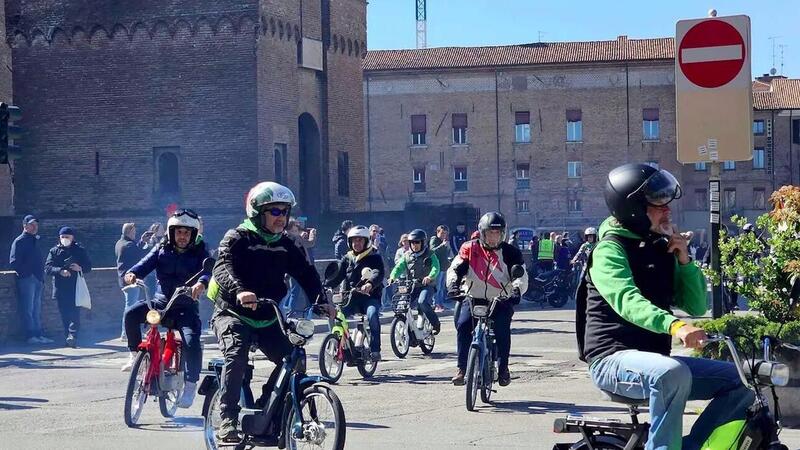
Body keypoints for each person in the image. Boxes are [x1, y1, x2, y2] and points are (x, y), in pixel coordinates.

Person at [576, 163, 754, 450]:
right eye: (658, 204)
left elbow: (695, 304)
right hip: (612, 360)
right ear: (633, 208)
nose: (668, 210)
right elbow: (627, 300)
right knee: (671, 373)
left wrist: (684, 260)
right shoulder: (609, 250)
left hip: (657, 361)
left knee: (743, 381)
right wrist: (676, 326)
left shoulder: (660, 245)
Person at [209, 181, 333, 442]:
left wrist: (322, 301)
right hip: (233, 312)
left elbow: (307, 274)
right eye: (274, 211)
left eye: (285, 211)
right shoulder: (237, 237)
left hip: (268, 315)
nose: (281, 217)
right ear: (257, 212)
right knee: (237, 353)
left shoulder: (287, 244)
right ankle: (228, 419)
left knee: (294, 359)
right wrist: (240, 291)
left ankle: (267, 410)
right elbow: (222, 268)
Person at [121, 209, 210, 409]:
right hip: (161, 303)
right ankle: (135, 357)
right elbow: (144, 264)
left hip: (185, 306)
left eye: (187, 233)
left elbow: (207, 271)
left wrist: (201, 284)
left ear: (193, 235)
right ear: (172, 232)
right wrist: (132, 274)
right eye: (179, 232)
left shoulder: (201, 250)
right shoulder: (162, 248)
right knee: (131, 315)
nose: (182, 236)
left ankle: (190, 384)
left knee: (192, 340)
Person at [447, 212, 528, 386]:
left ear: (503, 234)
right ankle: (462, 369)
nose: (494, 237)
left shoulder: (510, 252)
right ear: (483, 233)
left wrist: (516, 290)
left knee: (502, 330)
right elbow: (455, 269)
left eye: (497, 233)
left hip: (500, 300)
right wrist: (453, 286)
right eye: (490, 233)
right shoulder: (469, 248)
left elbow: (521, 276)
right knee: (462, 326)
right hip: (473, 298)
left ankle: (504, 368)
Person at [326, 225, 385, 360]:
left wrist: (370, 283)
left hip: (369, 297)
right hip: (350, 298)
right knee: (335, 314)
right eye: (354, 240)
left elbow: (378, 272)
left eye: (359, 240)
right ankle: (338, 341)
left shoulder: (374, 256)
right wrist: (326, 286)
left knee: (372, 315)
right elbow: (338, 275)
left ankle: (375, 349)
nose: (356, 243)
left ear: (366, 241)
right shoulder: (347, 258)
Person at [44, 227, 92, 348]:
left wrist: (79, 268)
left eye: (67, 237)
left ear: (72, 238)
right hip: (60, 287)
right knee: (64, 314)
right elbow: (48, 268)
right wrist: (60, 270)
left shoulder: (79, 250)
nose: (65, 239)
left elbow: (88, 266)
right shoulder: (54, 251)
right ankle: (68, 337)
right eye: (63, 237)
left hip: (75, 287)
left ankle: (73, 335)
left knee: (75, 313)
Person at [389, 228, 441, 335]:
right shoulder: (406, 255)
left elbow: (436, 267)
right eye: (412, 242)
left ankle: (436, 324)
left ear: (423, 242)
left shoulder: (430, 254)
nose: (414, 245)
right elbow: (398, 267)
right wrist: (392, 277)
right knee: (402, 304)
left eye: (417, 242)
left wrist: (430, 277)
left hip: (426, 286)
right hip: (412, 286)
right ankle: (407, 327)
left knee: (422, 302)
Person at [9, 215, 52, 344]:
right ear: (25, 225)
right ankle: (30, 336)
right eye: (32, 225)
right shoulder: (19, 241)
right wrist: (27, 274)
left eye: (36, 225)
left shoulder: (35, 240)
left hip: (38, 278)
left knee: (36, 308)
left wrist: (39, 275)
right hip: (27, 279)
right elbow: (14, 262)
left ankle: (38, 335)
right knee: (28, 308)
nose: (35, 227)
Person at [115, 223, 148, 341]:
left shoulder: (120, 243)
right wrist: (146, 244)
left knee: (130, 306)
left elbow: (135, 251)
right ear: (129, 232)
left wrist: (142, 241)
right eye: (133, 232)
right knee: (130, 308)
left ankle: (126, 332)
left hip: (124, 279)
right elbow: (140, 255)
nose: (135, 234)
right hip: (130, 280)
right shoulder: (128, 245)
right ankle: (126, 333)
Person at [429, 225, 451, 312]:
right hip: (437, 267)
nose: (443, 235)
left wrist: (447, 247)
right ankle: (436, 305)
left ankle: (441, 304)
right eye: (442, 233)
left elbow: (447, 253)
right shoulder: (434, 239)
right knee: (437, 288)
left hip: (444, 267)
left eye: (445, 233)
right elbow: (432, 250)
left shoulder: (444, 241)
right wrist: (442, 245)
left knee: (442, 288)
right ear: (438, 232)